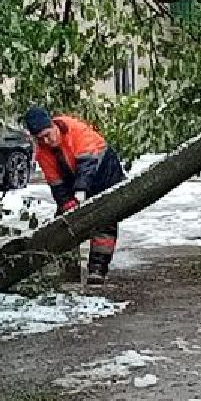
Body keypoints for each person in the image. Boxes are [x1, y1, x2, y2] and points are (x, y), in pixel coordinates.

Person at [23, 106, 125, 283]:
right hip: (74, 179)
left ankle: (97, 270)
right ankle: (70, 269)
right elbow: (56, 183)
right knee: (64, 223)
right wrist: (66, 202)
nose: (46, 141)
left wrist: (80, 192)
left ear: (53, 126)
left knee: (105, 221)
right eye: (40, 138)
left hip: (105, 174)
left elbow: (88, 164)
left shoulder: (76, 130)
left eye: (47, 135)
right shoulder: (43, 152)